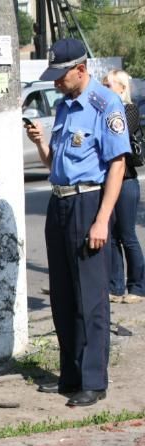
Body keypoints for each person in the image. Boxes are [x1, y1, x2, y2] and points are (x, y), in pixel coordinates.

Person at [24, 38, 130, 407]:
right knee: (63, 296)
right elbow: (57, 162)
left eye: (60, 74)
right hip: (60, 203)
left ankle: (93, 380)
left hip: (89, 203)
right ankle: (69, 374)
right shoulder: (65, 106)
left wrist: (102, 220)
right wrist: (40, 143)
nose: (54, 81)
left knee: (91, 298)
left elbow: (117, 164)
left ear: (81, 70)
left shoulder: (105, 104)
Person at [102, 69, 145, 304]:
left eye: (108, 85)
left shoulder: (129, 110)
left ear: (121, 88)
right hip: (109, 180)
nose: (104, 89)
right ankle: (115, 286)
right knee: (112, 236)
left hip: (126, 180)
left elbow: (118, 134)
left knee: (127, 235)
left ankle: (138, 287)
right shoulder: (107, 110)